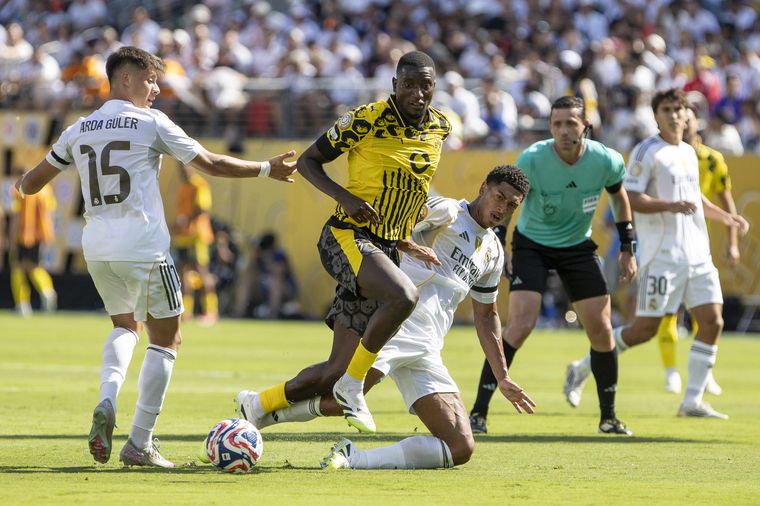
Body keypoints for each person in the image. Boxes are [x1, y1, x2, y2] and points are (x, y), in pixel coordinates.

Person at [14, 46, 296, 468]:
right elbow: (211, 163)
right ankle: (140, 442)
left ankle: (107, 400)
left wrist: (21, 181)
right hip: (143, 246)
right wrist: (265, 169)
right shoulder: (150, 122)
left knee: (125, 325)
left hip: (98, 247)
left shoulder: (80, 128)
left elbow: (31, 184)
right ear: (125, 79)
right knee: (167, 340)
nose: (157, 89)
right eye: (150, 80)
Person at [236, 166, 536, 470]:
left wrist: (503, 377)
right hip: (394, 325)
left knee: (460, 446)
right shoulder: (447, 211)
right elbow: (391, 224)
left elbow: (487, 316)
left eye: (512, 204)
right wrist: (408, 245)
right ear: (483, 187)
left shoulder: (494, 253)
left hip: (427, 347)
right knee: (342, 395)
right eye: (499, 197)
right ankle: (261, 406)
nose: (503, 208)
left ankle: (353, 458)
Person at [237, 50, 451, 435]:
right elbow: (307, 162)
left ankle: (257, 404)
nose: (417, 93)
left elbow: (406, 188)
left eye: (426, 86)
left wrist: (403, 240)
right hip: (345, 237)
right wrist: (347, 199)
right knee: (403, 296)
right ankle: (354, 386)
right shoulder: (367, 119)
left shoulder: (441, 127)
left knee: (333, 369)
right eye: (409, 85)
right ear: (394, 86)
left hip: (384, 248)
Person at [563, 88, 749, 420]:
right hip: (662, 256)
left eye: (679, 109)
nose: (675, 115)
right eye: (667, 109)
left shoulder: (690, 152)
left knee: (712, 321)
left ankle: (691, 401)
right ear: (656, 115)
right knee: (642, 331)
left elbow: (695, 199)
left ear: (687, 114)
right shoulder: (647, 151)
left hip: (698, 254)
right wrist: (669, 205)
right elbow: (629, 197)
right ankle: (580, 368)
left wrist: (727, 218)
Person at [468, 96, 638, 436]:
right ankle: (478, 412)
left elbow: (619, 197)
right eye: (557, 123)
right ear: (550, 127)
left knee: (602, 330)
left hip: (577, 247)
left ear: (585, 126)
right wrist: (500, 244)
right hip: (532, 246)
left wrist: (627, 246)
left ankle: (608, 417)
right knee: (521, 325)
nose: (563, 130)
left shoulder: (606, 160)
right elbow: (506, 201)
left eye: (570, 123)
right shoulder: (532, 159)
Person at [656, 105, 741, 395]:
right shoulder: (664, 155)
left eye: (688, 116)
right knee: (664, 314)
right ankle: (670, 373)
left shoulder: (711, 159)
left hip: (696, 241)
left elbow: (720, 200)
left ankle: (702, 376)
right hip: (665, 242)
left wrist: (732, 239)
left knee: (706, 314)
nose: (683, 120)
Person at [8, 165, 58, 316]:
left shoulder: (18, 190)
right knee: (35, 266)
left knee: (17, 267)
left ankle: (22, 304)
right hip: (41, 234)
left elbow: (16, 216)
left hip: (23, 234)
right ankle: (47, 291)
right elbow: (51, 211)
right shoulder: (46, 189)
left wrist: (11, 238)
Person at [172, 164, 218, 324]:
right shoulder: (184, 187)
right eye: (180, 169)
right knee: (182, 273)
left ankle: (211, 311)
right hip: (184, 237)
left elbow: (203, 209)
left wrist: (186, 221)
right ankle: (186, 311)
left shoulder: (199, 185)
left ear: (192, 168)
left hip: (197, 235)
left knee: (202, 271)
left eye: (185, 168)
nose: (183, 172)